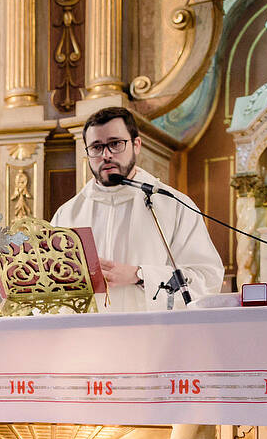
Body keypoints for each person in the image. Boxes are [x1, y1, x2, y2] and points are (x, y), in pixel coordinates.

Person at [53, 106, 224, 312]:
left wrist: (140, 275)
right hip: (88, 331)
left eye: (115, 144)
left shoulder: (173, 205)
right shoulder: (67, 214)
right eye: (96, 147)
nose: (106, 155)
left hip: (153, 330)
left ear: (136, 145)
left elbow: (207, 279)